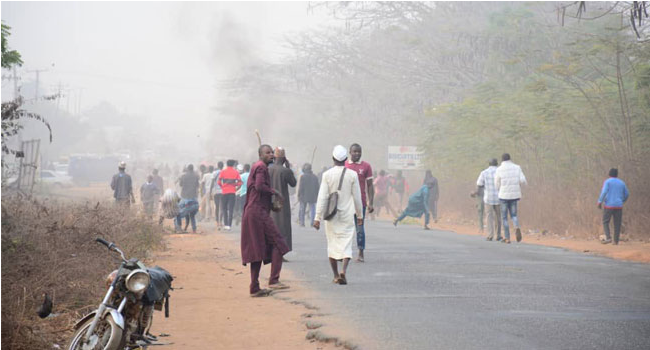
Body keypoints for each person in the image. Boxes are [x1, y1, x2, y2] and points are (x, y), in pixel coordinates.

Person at [241, 144, 291, 297]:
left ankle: (255, 286)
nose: (271, 155)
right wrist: (276, 192)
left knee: (257, 249)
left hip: (254, 211)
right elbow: (259, 186)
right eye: (267, 153)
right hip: (257, 212)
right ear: (260, 154)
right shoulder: (261, 167)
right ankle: (273, 280)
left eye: (272, 153)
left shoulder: (258, 166)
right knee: (278, 242)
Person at [313, 145, 363, 285]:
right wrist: (360, 216)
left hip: (331, 216)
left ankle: (335, 275)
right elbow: (357, 197)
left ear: (333, 159)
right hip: (347, 215)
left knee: (332, 244)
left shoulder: (327, 175)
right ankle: (344, 271)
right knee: (346, 244)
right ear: (346, 159)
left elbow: (322, 197)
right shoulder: (352, 175)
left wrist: (317, 217)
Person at [346, 143, 374, 262]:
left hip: (360, 203)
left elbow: (370, 186)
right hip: (345, 203)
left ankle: (361, 251)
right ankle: (344, 252)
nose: (357, 154)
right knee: (345, 229)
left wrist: (370, 202)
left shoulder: (366, 166)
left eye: (359, 152)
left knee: (359, 228)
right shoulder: (344, 165)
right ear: (350, 152)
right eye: (354, 151)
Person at [269, 147, 297, 253]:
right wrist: (289, 168)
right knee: (283, 226)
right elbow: (293, 183)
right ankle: (280, 251)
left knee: (271, 225)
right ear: (284, 158)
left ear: (274, 157)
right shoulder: (285, 171)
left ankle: (272, 251)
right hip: (282, 203)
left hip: (269, 201)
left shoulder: (268, 169)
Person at [495, 153, 527, 244]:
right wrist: (518, 187)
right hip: (515, 195)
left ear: (502, 160)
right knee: (514, 215)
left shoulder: (499, 169)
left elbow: (497, 183)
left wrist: (499, 190)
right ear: (510, 159)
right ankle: (516, 226)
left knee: (504, 217)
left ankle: (507, 238)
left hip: (503, 196)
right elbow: (523, 180)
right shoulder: (517, 167)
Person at [597, 168, 629, 245]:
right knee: (617, 224)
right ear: (617, 174)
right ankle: (616, 241)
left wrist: (600, 201)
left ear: (609, 174)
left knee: (605, 221)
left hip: (608, 206)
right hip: (618, 206)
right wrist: (622, 201)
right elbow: (627, 194)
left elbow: (604, 192)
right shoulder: (622, 183)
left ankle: (608, 237)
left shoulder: (607, 182)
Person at [476, 159, 501, 241]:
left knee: (489, 216)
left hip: (488, 198)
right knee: (498, 216)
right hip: (499, 197)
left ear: (489, 164)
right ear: (497, 164)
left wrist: (477, 193)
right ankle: (498, 235)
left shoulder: (484, 172)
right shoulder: (500, 171)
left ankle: (490, 235)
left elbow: (479, 184)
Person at [218, 160, 243, 230]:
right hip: (232, 192)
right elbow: (240, 183)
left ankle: (226, 224)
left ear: (227, 164)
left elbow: (219, 181)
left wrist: (223, 187)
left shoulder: (223, 171)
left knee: (224, 209)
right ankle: (229, 225)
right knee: (231, 209)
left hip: (224, 192)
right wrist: (235, 187)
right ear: (233, 165)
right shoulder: (236, 172)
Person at [178, 163, 200, 233]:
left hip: (185, 197)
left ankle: (178, 228)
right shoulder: (196, 176)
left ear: (187, 169)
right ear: (193, 169)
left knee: (179, 214)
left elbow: (180, 184)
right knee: (192, 215)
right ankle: (194, 229)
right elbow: (197, 185)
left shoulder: (184, 176)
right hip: (193, 197)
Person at [298, 163, 320, 227]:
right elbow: (317, 187)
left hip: (303, 195)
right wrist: (317, 195)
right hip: (312, 196)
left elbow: (301, 187)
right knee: (313, 209)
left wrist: (299, 195)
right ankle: (312, 222)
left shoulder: (303, 177)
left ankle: (302, 222)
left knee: (302, 209)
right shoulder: (315, 177)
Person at [210, 161, 224, 229]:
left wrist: (210, 191)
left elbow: (212, 182)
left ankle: (217, 222)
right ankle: (220, 221)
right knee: (222, 207)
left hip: (216, 191)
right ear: (223, 166)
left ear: (218, 166)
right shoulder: (224, 172)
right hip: (223, 191)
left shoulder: (214, 173)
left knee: (217, 207)